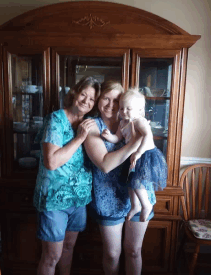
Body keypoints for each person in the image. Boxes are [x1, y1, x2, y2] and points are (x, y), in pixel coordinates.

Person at [84, 80, 157, 275]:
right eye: (106, 99)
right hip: (108, 198)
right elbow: (106, 164)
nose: (111, 105)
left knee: (134, 251)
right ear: (98, 100)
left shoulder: (133, 121)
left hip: (139, 194)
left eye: (116, 100)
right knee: (112, 254)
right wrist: (134, 145)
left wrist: (141, 139)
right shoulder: (93, 127)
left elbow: (149, 143)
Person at [33, 76, 100, 275]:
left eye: (92, 99)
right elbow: (51, 162)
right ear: (74, 92)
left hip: (78, 200)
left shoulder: (89, 123)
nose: (87, 101)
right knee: (51, 256)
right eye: (83, 95)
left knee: (69, 248)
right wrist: (79, 138)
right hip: (54, 200)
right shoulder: (56, 119)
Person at [101, 88, 167, 222]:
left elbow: (148, 135)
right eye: (121, 108)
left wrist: (139, 152)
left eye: (128, 109)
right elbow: (118, 138)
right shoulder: (122, 123)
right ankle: (135, 206)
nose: (124, 112)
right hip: (133, 155)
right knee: (130, 182)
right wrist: (109, 137)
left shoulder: (139, 121)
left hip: (145, 154)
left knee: (137, 181)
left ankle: (146, 205)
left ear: (139, 110)